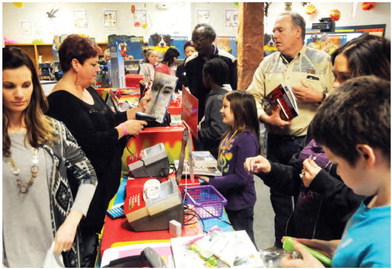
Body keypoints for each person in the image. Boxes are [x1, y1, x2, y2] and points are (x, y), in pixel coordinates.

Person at [244, 33, 390, 244]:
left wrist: (324, 183)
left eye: (345, 78)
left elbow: (371, 208)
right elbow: (300, 178)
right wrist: (271, 169)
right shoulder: (325, 122)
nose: (336, 85)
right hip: (308, 238)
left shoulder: (382, 136)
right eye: (334, 76)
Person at [46, 34, 150, 266]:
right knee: (86, 246)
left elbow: (109, 120)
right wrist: (122, 130)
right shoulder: (61, 101)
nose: (97, 69)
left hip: (104, 187)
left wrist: (135, 111)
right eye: (93, 64)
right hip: (84, 195)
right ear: (75, 64)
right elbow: (87, 144)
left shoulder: (88, 90)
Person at [280, 76, 390, 268]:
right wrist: (333, 247)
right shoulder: (375, 200)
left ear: (365, 156)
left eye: (336, 163)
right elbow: (363, 241)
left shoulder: (385, 251)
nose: (336, 170)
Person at [2, 47, 97, 267]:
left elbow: (88, 176)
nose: (19, 94)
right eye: (9, 86)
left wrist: (72, 222)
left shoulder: (53, 131)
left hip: (54, 254)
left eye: (26, 85)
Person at [246, 11, 334, 247]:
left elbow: (341, 101)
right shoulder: (268, 63)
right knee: (280, 200)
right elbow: (250, 97)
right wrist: (265, 117)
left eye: (280, 30)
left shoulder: (322, 61)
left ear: (298, 31)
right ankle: (280, 246)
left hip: (309, 143)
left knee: (307, 201)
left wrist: (321, 96)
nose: (274, 35)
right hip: (276, 141)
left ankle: (304, 249)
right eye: (273, 30)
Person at [198, 91, 260, 248]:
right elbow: (224, 164)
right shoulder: (231, 132)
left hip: (240, 205)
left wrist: (210, 181)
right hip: (227, 199)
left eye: (225, 106)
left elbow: (240, 179)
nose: (221, 111)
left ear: (239, 111)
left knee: (245, 245)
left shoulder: (246, 139)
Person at [185, 23, 237, 121]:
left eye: (199, 40)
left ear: (211, 38)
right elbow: (192, 91)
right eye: (194, 41)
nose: (196, 44)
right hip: (199, 114)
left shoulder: (228, 59)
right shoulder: (190, 62)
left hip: (222, 113)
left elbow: (234, 89)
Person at [196, 58, 230, 158]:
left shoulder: (218, 99)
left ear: (208, 76)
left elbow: (218, 130)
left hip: (215, 152)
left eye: (203, 75)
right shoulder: (215, 94)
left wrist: (198, 133)